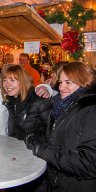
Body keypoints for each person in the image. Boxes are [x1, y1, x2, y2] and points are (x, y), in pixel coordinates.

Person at [25, 62, 96, 192]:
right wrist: (36, 139)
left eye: (68, 83)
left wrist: (42, 150)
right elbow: (60, 141)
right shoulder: (63, 105)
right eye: (60, 82)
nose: (62, 87)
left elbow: (89, 163)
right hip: (58, 181)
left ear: (85, 83)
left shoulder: (91, 110)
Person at [1, 64, 51, 140]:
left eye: (12, 80)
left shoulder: (39, 100)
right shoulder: (10, 100)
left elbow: (51, 131)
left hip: (34, 150)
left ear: (22, 81)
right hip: (16, 148)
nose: (7, 84)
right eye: (5, 80)